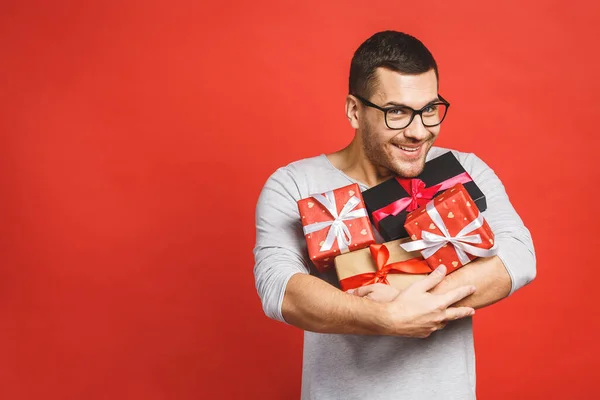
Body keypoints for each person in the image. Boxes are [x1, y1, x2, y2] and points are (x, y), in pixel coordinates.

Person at [253, 30, 536, 400]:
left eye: (430, 109)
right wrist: (385, 318)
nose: (419, 131)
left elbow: (518, 258)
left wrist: (408, 301)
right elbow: (281, 289)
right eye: (397, 112)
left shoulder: (464, 171)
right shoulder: (295, 183)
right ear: (355, 111)